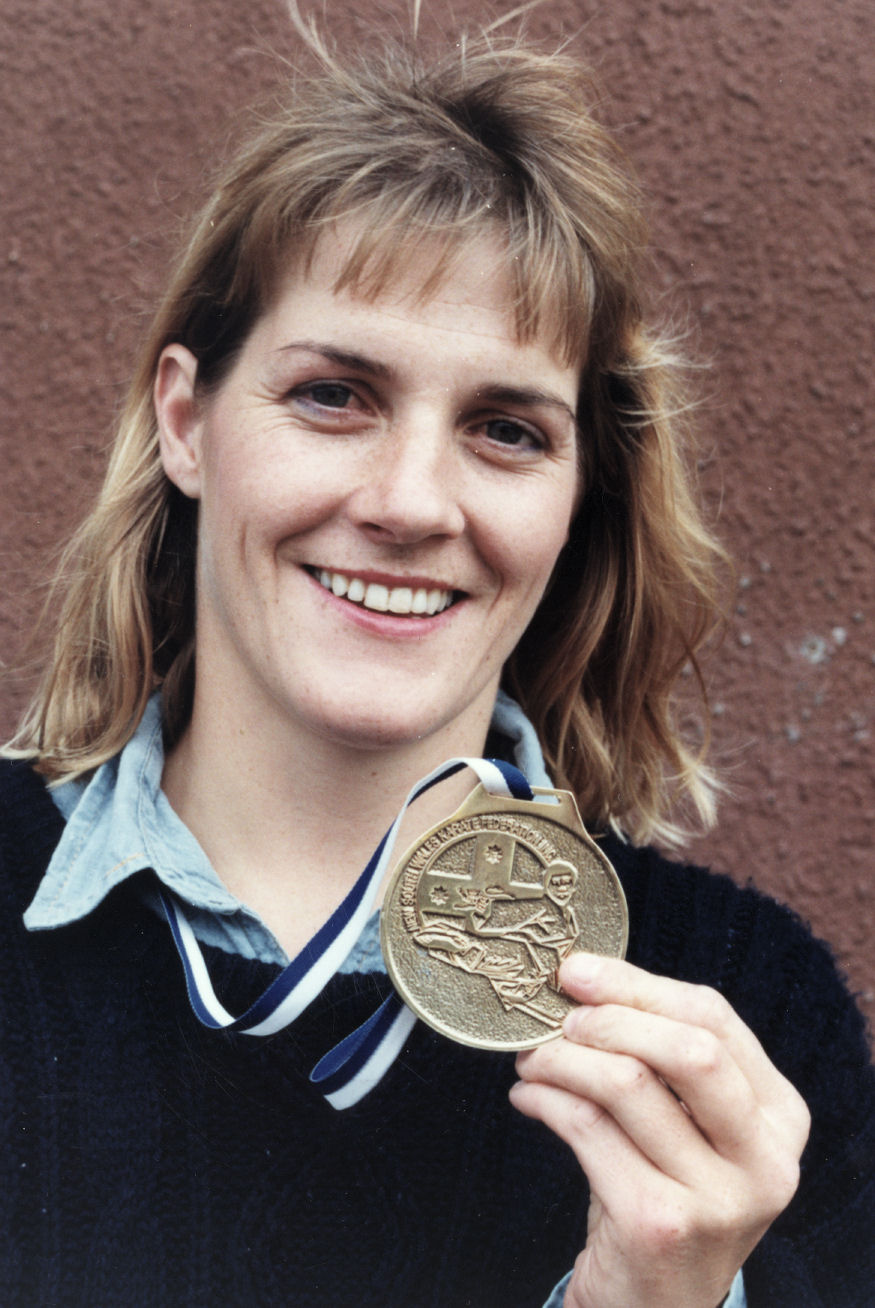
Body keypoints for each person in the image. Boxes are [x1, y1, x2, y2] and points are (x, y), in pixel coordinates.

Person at [1, 16, 872, 1308]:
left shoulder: (748, 1022)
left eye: (506, 430)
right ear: (188, 423)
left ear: (579, 496)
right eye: (334, 395)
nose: (412, 502)